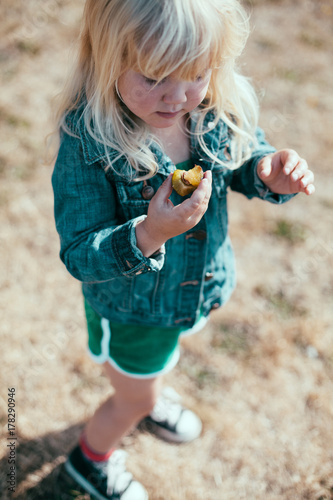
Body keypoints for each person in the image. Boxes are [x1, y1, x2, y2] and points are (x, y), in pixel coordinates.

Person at [51, 0, 315, 498]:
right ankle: (92, 458)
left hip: (185, 294)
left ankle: (148, 396)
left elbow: (243, 155)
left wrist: (265, 171)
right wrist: (149, 232)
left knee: (153, 372)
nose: (177, 97)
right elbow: (81, 253)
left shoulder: (209, 106)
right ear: (109, 59)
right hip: (134, 313)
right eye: (154, 78)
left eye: (194, 73)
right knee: (128, 398)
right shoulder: (88, 139)